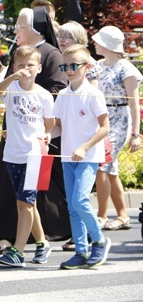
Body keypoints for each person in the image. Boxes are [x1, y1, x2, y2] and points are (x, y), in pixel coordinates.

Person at [0, 7, 69, 255]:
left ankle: (21, 246)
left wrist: (42, 129)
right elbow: (0, 92)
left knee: (27, 199)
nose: (16, 31)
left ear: (34, 29)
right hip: (14, 139)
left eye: (21, 26)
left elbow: (57, 93)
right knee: (18, 197)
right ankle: (26, 239)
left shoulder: (50, 54)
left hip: (35, 142)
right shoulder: (19, 56)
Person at [0, 46, 54, 267]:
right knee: (27, 203)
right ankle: (43, 243)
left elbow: (49, 123)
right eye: (20, 65)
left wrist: (45, 135)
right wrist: (11, 78)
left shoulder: (44, 95)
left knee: (25, 203)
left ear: (39, 68)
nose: (25, 69)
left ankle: (18, 251)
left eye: (30, 65)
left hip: (35, 155)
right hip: (13, 154)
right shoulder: (12, 88)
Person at [53, 44, 111, 269]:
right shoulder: (64, 95)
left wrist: (85, 147)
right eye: (65, 66)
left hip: (87, 156)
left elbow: (104, 127)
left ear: (87, 67)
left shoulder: (93, 93)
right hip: (68, 156)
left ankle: (99, 239)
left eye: (73, 65)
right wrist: (47, 136)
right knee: (72, 207)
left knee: (80, 200)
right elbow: (58, 126)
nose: (68, 70)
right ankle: (81, 251)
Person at [93, 26, 142, 231]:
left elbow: (133, 103)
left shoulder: (127, 69)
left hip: (120, 119)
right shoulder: (96, 66)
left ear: (107, 44)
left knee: (102, 165)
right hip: (102, 119)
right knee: (111, 170)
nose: (94, 43)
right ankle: (123, 215)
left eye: (98, 40)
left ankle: (102, 215)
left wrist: (135, 134)